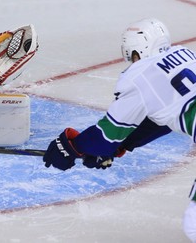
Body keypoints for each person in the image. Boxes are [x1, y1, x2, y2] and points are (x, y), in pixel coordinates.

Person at [43, 17, 196, 240]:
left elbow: (107, 135)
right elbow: (163, 119)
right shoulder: (185, 55)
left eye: (131, 55)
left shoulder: (140, 74)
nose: (132, 61)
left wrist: (71, 147)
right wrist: (122, 145)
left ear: (138, 51)